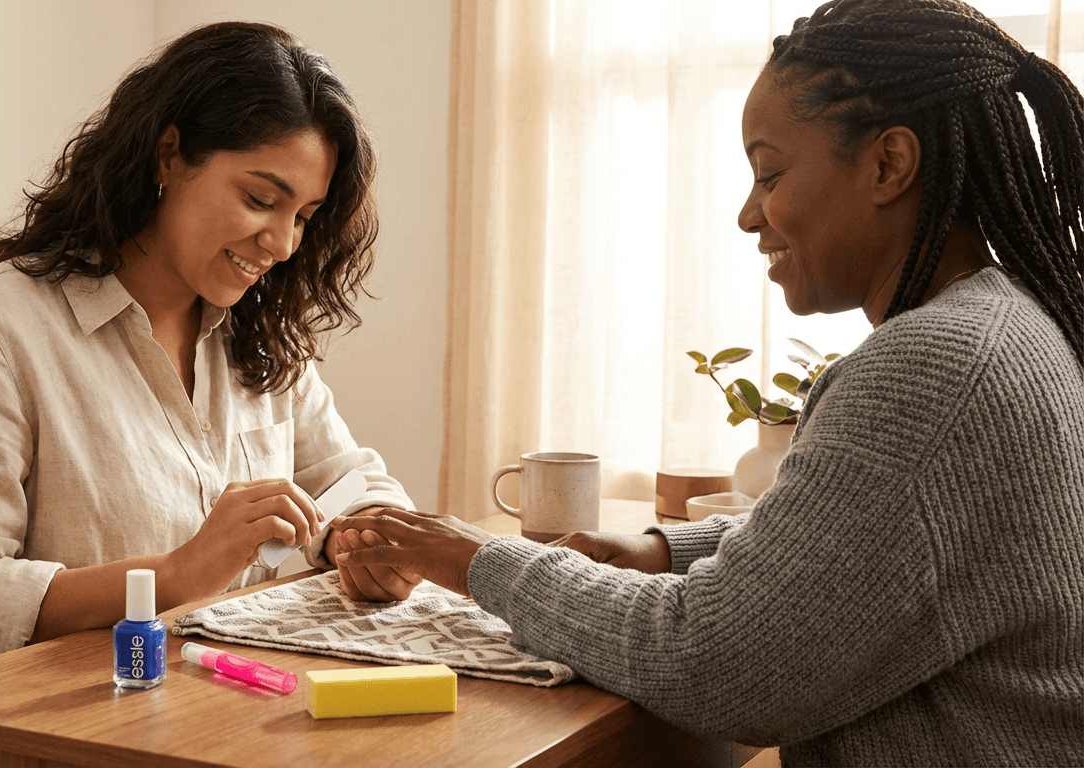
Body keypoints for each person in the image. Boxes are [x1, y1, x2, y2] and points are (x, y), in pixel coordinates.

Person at [331, 0, 1084, 763]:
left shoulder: (939, 367)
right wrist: (667, 550)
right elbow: (863, 544)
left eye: (771, 173)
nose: (747, 215)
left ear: (889, 164)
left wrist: (474, 560)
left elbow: (719, 665)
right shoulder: (1003, 326)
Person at [0, 21, 421, 680]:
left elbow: (354, 481)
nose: (283, 244)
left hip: (211, 711)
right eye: (261, 199)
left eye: (304, 217)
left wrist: (362, 539)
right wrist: (175, 575)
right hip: (43, 731)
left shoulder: (259, 333)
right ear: (169, 155)